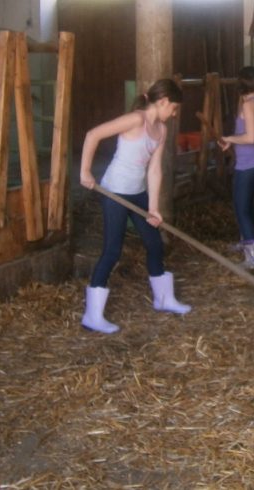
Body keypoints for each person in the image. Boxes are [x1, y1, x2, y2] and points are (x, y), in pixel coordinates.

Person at [79, 79, 191, 334]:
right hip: (114, 192)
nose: (174, 113)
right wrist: (85, 171)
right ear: (162, 102)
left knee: (154, 243)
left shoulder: (160, 130)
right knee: (112, 250)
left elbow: (154, 170)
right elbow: (92, 135)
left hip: (137, 192)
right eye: (173, 108)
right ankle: (92, 315)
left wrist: (153, 207)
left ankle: (163, 299)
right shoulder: (135, 120)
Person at [218, 66, 254, 270]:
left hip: (249, 163)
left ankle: (253, 258)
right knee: (247, 204)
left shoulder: (248, 105)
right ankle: (247, 240)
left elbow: (250, 137)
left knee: (241, 207)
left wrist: (229, 138)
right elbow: (253, 133)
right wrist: (232, 142)